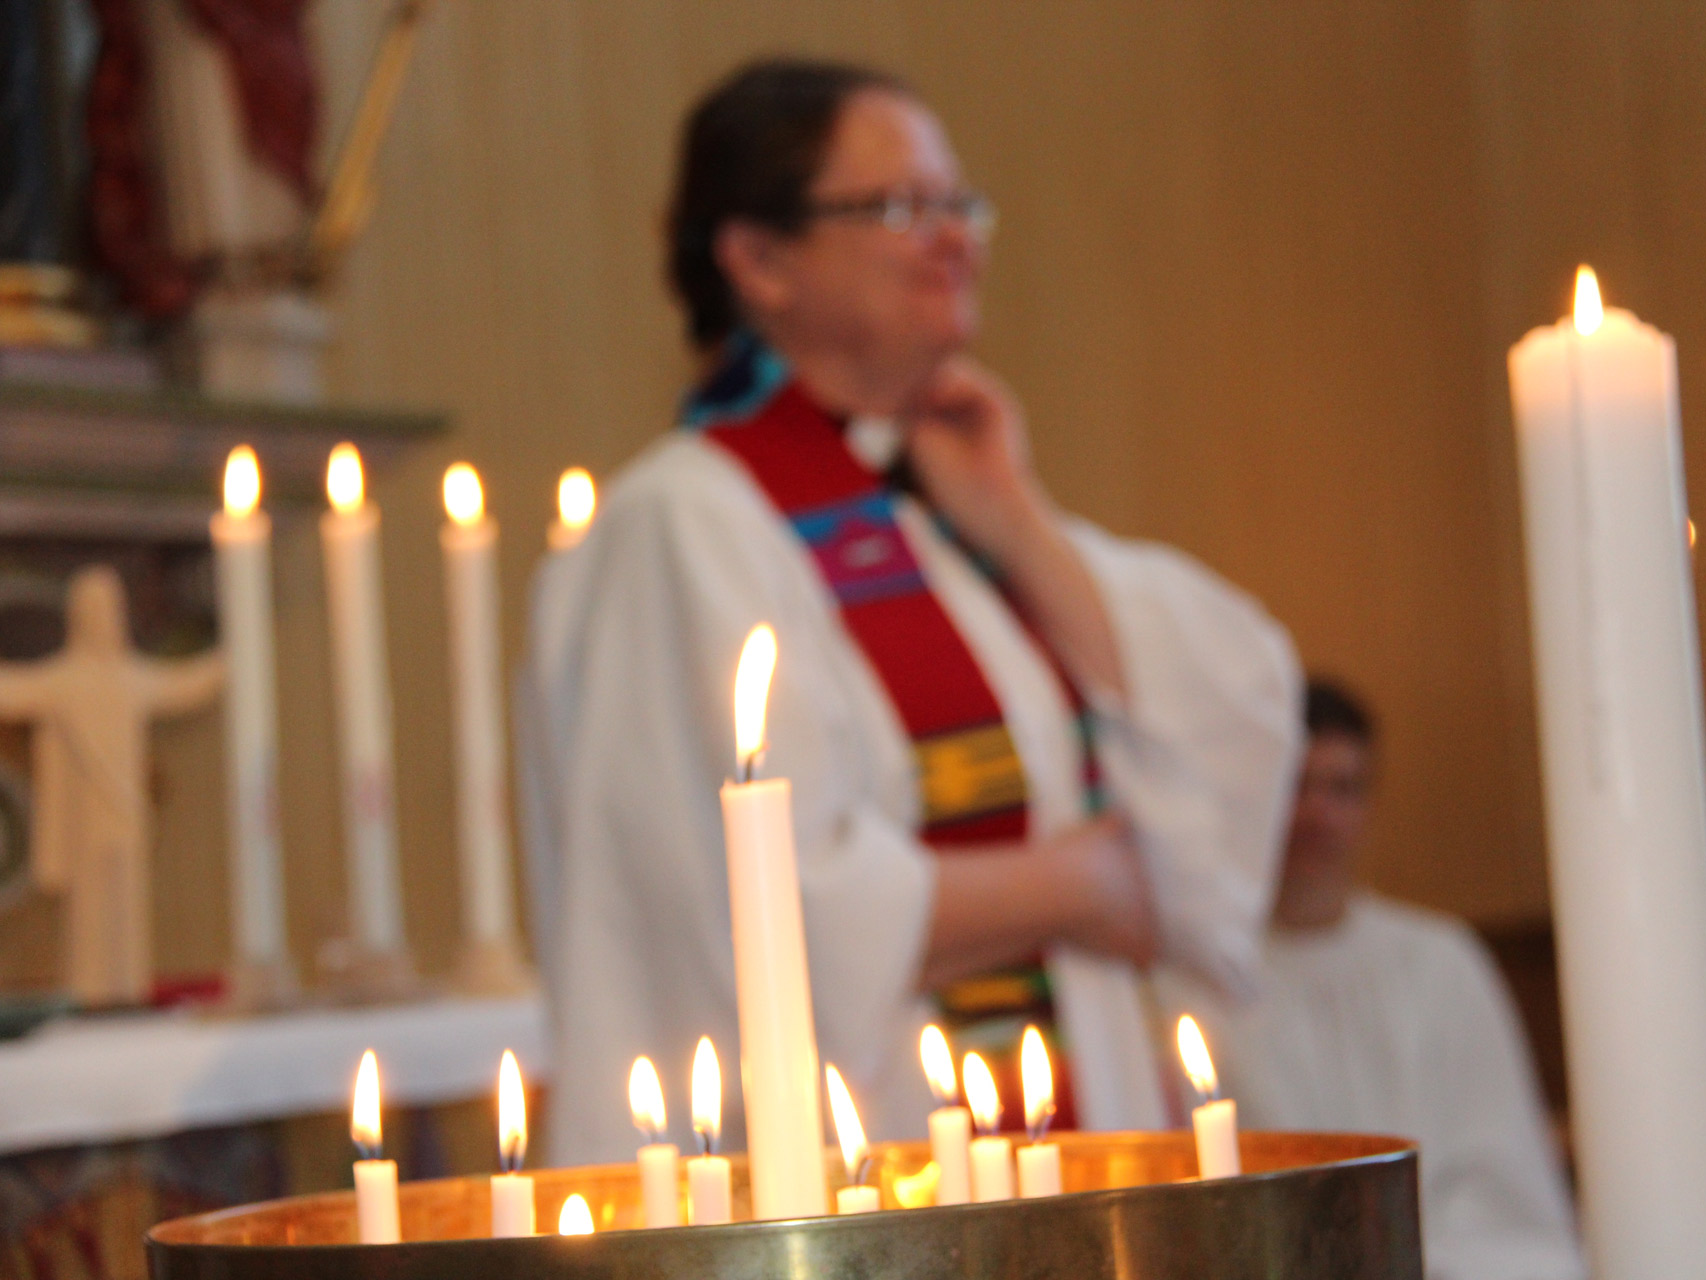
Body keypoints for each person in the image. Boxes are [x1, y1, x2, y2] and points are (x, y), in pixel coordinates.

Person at [521, 58, 1303, 1160]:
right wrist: (1084, 880)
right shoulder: (680, 526)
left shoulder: (946, 512)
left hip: (1068, 1130)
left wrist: (1021, 522)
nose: (954, 238)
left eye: (959, 204)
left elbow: (1231, 712)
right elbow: (740, 903)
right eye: (899, 208)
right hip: (864, 1165)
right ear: (756, 258)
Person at [1157, 679, 1585, 1280]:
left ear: (1369, 803)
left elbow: (1501, 1181)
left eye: (1343, 788)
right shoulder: (1197, 978)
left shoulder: (1442, 963)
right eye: (1297, 787)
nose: (1319, 814)